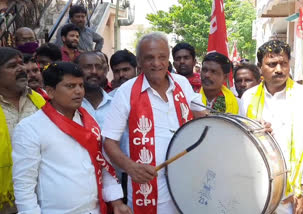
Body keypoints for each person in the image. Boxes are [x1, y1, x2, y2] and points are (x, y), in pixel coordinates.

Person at [102, 32, 207, 214]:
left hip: (186, 180)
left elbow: (204, 117)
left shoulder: (182, 83)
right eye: (149, 58)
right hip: (148, 187)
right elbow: (109, 141)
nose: (156, 63)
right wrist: (131, 167)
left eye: (162, 57)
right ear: (139, 62)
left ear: (168, 60)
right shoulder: (126, 92)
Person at [12, 61, 132, 214]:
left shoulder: (89, 121)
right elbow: (24, 185)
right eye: (70, 86)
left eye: (80, 85)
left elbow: (103, 164)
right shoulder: (30, 128)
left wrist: (116, 203)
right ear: (50, 91)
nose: (79, 91)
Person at [239, 40, 303, 214]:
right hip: (258, 186)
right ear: (260, 67)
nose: (279, 69)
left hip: (293, 192)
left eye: (283, 63)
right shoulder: (248, 97)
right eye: (272, 64)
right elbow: (241, 141)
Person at [0, 47, 45, 214]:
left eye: (21, 64)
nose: (22, 69)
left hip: (39, 196)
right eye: (12, 66)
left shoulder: (38, 100)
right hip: (5, 202)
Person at [74, 51, 112, 128]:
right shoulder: (70, 105)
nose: (94, 71)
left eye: (99, 67)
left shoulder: (116, 103)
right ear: (76, 70)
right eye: (87, 67)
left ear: (105, 70)